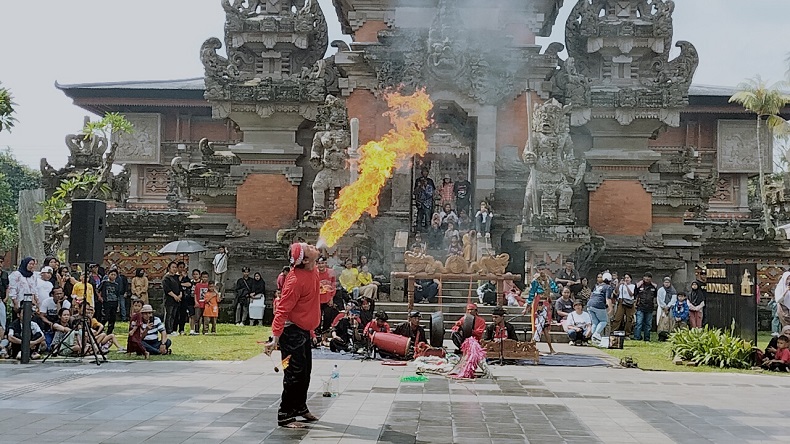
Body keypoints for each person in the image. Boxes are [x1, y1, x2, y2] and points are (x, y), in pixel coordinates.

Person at [264, 242, 322, 429]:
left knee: (305, 372)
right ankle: (285, 415)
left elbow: (308, 303)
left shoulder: (314, 270)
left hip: (303, 330)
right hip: (291, 332)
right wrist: (275, 337)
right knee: (294, 374)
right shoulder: (295, 281)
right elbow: (282, 310)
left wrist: (311, 329)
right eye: (307, 248)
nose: (312, 245)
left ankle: (300, 407)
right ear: (305, 260)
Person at [523, 262, 558, 353]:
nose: (541, 271)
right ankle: (532, 346)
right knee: (537, 325)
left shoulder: (548, 279)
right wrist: (527, 306)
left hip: (546, 303)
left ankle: (550, 348)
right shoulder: (535, 280)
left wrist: (557, 287)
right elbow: (531, 293)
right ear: (537, 270)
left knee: (545, 326)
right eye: (540, 269)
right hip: (538, 303)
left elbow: (555, 289)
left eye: (543, 269)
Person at [634, 272, 658, 342]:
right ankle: (637, 337)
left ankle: (647, 338)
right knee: (639, 323)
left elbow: (655, 296)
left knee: (648, 324)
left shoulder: (654, 287)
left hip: (649, 308)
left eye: (649, 277)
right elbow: (635, 295)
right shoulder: (639, 285)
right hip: (640, 307)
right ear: (643, 277)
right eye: (646, 277)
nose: (647, 278)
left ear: (651, 278)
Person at [98, 269, 122, 335]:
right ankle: (100, 329)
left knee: (112, 318)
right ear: (108, 275)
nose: (113, 276)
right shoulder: (105, 282)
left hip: (114, 302)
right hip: (106, 302)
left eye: (115, 275)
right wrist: (100, 297)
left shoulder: (116, 285)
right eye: (112, 274)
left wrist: (118, 305)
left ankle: (109, 332)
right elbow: (98, 290)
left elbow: (118, 295)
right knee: (105, 317)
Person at [162, 262, 182, 335]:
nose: (174, 269)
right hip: (169, 299)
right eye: (173, 267)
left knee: (174, 315)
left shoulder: (176, 277)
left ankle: (172, 329)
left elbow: (180, 287)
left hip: (177, 299)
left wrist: (180, 295)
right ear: (169, 268)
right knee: (169, 315)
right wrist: (174, 296)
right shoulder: (166, 278)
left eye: (175, 267)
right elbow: (167, 289)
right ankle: (168, 330)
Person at [656, 276, 677, 341]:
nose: (667, 284)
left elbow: (673, 299)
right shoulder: (660, 290)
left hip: (670, 308)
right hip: (662, 308)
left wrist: (668, 306)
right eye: (665, 282)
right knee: (661, 322)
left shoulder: (673, 290)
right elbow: (659, 299)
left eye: (668, 282)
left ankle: (668, 335)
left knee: (670, 322)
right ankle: (661, 335)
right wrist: (664, 307)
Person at [176, 263, 194, 335]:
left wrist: (181, 283)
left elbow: (189, 284)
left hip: (185, 298)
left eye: (183, 267)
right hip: (177, 297)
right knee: (176, 314)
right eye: (180, 267)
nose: (182, 269)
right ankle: (174, 329)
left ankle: (181, 329)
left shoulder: (186, 277)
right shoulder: (175, 276)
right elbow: (175, 284)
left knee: (183, 314)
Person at [0, 256, 9, 329]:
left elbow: (7, 287)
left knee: (3, 318)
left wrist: (6, 297)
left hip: (2, 300)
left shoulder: (5, 274)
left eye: (1, 262)